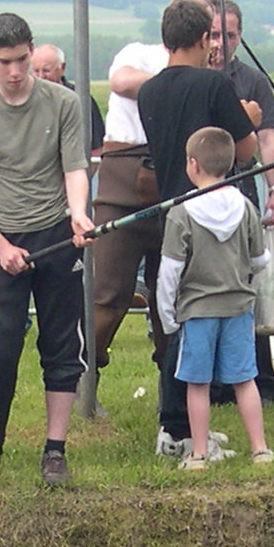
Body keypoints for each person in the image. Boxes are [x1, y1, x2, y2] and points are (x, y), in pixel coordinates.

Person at [0, 11, 92, 481]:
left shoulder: (64, 103)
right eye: (5, 61)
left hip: (57, 235)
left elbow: (75, 167)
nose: (15, 71)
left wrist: (78, 213)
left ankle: (56, 449)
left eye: (22, 60)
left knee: (62, 345)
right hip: (3, 239)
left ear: (32, 52)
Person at [137, 0, 262, 461]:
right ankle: (178, 429)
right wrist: (248, 119)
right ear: (204, 38)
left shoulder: (149, 91)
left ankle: (184, 425)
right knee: (200, 323)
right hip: (211, 222)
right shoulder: (213, 85)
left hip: (170, 215)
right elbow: (244, 152)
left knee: (174, 321)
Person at [157, 127, 274, 469]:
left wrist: (167, 317)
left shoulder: (182, 213)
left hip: (197, 311)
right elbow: (260, 260)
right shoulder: (245, 207)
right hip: (239, 307)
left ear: (192, 164)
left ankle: (198, 452)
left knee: (197, 383)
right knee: (245, 379)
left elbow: (169, 273)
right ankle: (260, 449)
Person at [209, 0, 274, 406]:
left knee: (248, 283)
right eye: (213, 34)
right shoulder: (191, 77)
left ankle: (260, 379)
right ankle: (213, 381)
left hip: (242, 191)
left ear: (240, 37)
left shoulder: (254, 80)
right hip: (200, 194)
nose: (221, 43)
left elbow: (268, 137)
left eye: (229, 35)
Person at [92, 25, 170, 364]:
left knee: (173, 302)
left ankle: (175, 388)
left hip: (177, 185)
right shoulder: (139, 53)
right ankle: (83, 378)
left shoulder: (212, 74)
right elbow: (121, 82)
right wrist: (177, 84)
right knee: (107, 295)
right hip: (121, 186)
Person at [31, 44, 106, 148]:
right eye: (35, 71)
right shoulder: (24, 99)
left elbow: (96, 146)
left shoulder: (80, 99)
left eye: (46, 70)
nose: (41, 76)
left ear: (62, 68)